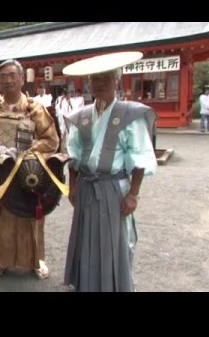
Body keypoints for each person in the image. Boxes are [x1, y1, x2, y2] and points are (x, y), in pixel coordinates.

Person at [62, 51, 157, 292]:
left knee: (114, 240)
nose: (100, 83)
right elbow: (73, 156)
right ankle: (87, 284)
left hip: (114, 188)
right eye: (95, 79)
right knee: (86, 237)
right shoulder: (81, 116)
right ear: (89, 84)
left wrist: (133, 194)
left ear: (116, 80)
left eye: (106, 78)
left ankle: (114, 285)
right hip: (86, 186)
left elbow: (138, 157)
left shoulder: (129, 115)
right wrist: (72, 186)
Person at [0, 59, 59, 280]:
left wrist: (28, 151)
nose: (8, 80)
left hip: (27, 174)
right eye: (3, 77)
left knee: (30, 218)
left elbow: (51, 139)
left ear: (22, 79)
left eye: (12, 75)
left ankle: (36, 261)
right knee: (1, 219)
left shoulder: (35, 109)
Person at [55, 88, 74, 153]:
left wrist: (70, 104)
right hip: (63, 120)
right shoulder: (61, 101)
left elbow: (73, 109)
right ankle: (62, 149)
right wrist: (60, 103)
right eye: (68, 95)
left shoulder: (71, 101)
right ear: (65, 95)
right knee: (62, 135)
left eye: (70, 95)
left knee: (69, 135)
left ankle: (68, 148)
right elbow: (59, 111)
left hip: (70, 120)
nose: (69, 96)